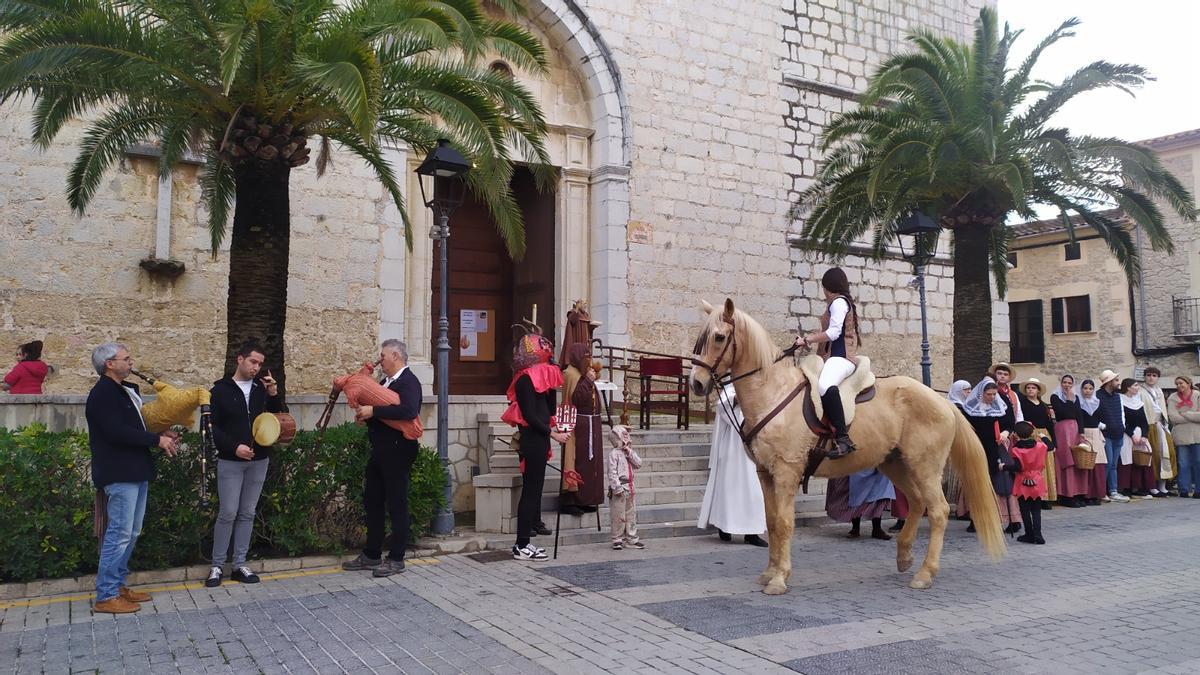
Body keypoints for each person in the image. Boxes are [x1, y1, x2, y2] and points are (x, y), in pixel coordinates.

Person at [86, 342, 180, 614]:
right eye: (126, 359)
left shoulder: (124, 391)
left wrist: (162, 434)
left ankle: (117, 585)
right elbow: (116, 432)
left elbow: (135, 427)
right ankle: (105, 595)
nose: (131, 363)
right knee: (119, 533)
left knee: (131, 532)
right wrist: (155, 440)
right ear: (109, 364)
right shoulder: (102, 393)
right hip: (119, 471)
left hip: (136, 468)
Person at [342, 339, 423, 577]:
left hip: (398, 450)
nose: (380, 360)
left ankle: (397, 558)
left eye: (383, 356)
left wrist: (374, 411)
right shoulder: (385, 382)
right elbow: (379, 412)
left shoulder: (409, 382)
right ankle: (372, 554)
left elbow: (409, 411)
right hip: (380, 450)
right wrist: (366, 416)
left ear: (396, 356)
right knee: (373, 502)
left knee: (397, 504)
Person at [204, 339, 281, 587]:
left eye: (259, 363)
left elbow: (276, 419)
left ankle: (239, 564)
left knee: (247, 512)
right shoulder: (220, 390)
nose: (256, 367)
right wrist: (234, 447)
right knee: (227, 512)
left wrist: (273, 395)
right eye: (252, 361)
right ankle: (216, 566)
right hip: (231, 460)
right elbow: (210, 427)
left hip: (259, 459)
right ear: (240, 359)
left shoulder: (261, 389)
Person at [502, 330, 569, 561]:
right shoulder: (523, 380)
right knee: (530, 492)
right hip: (532, 440)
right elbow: (531, 416)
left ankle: (523, 544)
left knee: (535, 490)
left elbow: (547, 410)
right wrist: (553, 434)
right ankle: (522, 544)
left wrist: (550, 384)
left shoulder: (537, 377)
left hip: (539, 440)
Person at [794, 267, 863, 458]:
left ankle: (843, 439)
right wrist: (806, 343)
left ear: (828, 287)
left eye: (823, 288)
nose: (823, 292)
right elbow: (827, 340)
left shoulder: (838, 303)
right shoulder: (836, 303)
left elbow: (834, 333)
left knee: (825, 385)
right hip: (832, 357)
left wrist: (807, 339)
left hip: (842, 358)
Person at [697, 384, 767, 546]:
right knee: (729, 488)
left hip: (754, 446)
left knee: (754, 490)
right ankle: (725, 526)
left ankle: (752, 532)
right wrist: (737, 398)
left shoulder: (758, 383)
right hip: (733, 446)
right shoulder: (731, 388)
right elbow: (723, 408)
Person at [960, 378, 1020, 533]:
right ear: (981, 393)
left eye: (994, 394)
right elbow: (964, 427)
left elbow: (1009, 422)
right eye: (989, 394)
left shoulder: (1001, 405)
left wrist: (1005, 432)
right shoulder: (969, 408)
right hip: (977, 448)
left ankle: (1011, 519)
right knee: (978, 484)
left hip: (997, 447)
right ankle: (977, 519)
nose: (992, 397)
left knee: (1003, 483)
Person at [560, 344, 605, 515]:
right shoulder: (571, 374)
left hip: (588, 425)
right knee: (575, 461)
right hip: (576, 425)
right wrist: (588, 381)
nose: (588, 360)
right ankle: (571, 499)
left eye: (589, 356)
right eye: (585, 356)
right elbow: (576, 398)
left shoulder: (579, 373)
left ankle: (585, 498)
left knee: (588, 463)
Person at [1050, 374, 1089, 508]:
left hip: (1075, 430)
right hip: (1063, 430)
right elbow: (1063, 413)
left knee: (1078, 461)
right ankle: (1066, 495)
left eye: (1069, 383)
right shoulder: (1055, 397)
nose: (1067, 385)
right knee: (1067, 462)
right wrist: (1068, 399)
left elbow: (1078, 415)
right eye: (1065, 382)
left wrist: (1082, 432)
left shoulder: (1076, 397)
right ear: (1061, 383)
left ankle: (1078, 493)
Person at [1017, 378, 1057, 509]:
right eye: (1028, 388)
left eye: (1033, 388)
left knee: (1046, 466)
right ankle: (1034, 496)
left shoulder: (1044, 406)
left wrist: (1053, 442)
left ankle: (1045, 496)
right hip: (1030, 434)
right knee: (1033, 467)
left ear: (1038, 390)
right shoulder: (1022, 404)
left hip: (1044, 435)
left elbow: (1050, 424)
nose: (1030, 390)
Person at [825, 468, 895, 540]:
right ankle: (855, 528)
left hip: (876, 466)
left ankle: (877, 528)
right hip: (857, 465)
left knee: (878, 496)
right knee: (856, 495)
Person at [1008, 422, 1048, 545]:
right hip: (1037, 480)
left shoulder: (1016, 449)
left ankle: (1029, 534)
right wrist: (1043, 436)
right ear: (1032, 433)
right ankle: (1038, 534)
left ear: (1016, 434)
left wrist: (1004, 466)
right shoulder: (1040, 446)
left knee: (1024, 510)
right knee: (1036, 509)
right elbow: (1051, 446)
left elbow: (1018, 467)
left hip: (1022, 482)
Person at [1140, 367, 1177, 496]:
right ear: (1144, 376)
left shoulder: (1159, 391)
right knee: (1154, 455)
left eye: (1154, 375)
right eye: (1149, 375)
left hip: (1161, 425)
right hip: (1149, 425)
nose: (1151, 378)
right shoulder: (1140, 390)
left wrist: (1166, 425)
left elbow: (1162, 409)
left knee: (1167, 454)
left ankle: (1163, 486)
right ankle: (1152, 486)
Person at [1095, 369, 1131, 503]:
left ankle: (1113, 491)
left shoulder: (1117, 396)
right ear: (1108, 382)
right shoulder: (1098, 396)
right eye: (1116, 380)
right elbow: (1093, 415)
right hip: (1106, 435)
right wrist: (1103, 426)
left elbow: (1121, 413)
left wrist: (1122, 427)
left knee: (1114, 465)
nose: (1118, 382)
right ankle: (1101, 491)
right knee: (1107, 463)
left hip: (1118, 433)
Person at [607, 425, 644, 550]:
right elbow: (612, 472)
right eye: (624, 437)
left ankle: (631, 538)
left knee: (631, 514)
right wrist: (617, 487)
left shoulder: (629, 453)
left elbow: (638, 464)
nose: (627, 439)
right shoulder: (614, 454)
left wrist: (630, 453)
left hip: (630, 486)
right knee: (618, 514)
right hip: (620, 487)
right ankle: (617, 539)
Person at [1118, 378, 1155, 499]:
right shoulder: (1120, 400)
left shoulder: (1138, 402)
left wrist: (1144, 435)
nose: (1138, 387)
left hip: (1139, 433)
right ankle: (1126, 488)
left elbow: (1144, 421)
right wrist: (1131, 434)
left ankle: (1142, 487)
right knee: (1127, 459)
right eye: (1135, 385)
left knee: (1144, 457)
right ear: (1128, 387)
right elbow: (1122, 420)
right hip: (1126, 434)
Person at [1167, 377, 1200, 498]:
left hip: (1197, 434)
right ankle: (1184, 489)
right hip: (1181, 435)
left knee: (1198, 462)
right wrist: (1193, 415)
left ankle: (1198, 490)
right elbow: (1173, 417)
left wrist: (1185, 414)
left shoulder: (1197, 395)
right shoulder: (1172, 398)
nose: (1178, 386)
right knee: (1183, 463)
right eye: (1176, 384)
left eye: (1181, 383)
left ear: (1188, 383)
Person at [1079, 379, 1109, 504]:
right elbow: (1079, 419)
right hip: (1084, 433)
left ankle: (1097, 494)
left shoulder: (1098, 403)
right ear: (1081, 390)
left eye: (1090, 388)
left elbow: (1102, 417)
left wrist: (1101, 426)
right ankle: (1086, 495)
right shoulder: (1078, 403)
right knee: (1086, 463)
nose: (1088, 391)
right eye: (1085, 388)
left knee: (1098, 464)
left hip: (1096, 433)